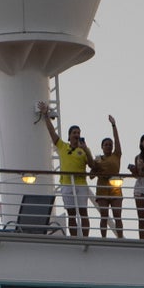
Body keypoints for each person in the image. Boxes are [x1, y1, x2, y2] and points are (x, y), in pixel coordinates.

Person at [37, 101, 95, 237]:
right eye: (74, 133)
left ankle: (85, 237)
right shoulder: (63, 146)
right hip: (67, 184)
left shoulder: (84, 150)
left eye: (78, 133)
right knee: (71, 213)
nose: (77, 135)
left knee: (83, 212)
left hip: (80, 184)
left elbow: (92, 165)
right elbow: (52, 132)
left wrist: (86, 150)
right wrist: (45, 115)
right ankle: (74, 237)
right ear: (69, 136)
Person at [91, 115, 123, 238]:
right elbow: (91, 176)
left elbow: (117, 140)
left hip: (115, 188)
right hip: (102, 188)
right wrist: (95, 165)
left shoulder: (116, 155)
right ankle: (103, 237)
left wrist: (114, 125)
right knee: (104, 215)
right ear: (102, 147)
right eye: (106, 144)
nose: (108, 146)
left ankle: (120, 237)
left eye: (110, 144)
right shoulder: (98, 159)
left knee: (117, 215)